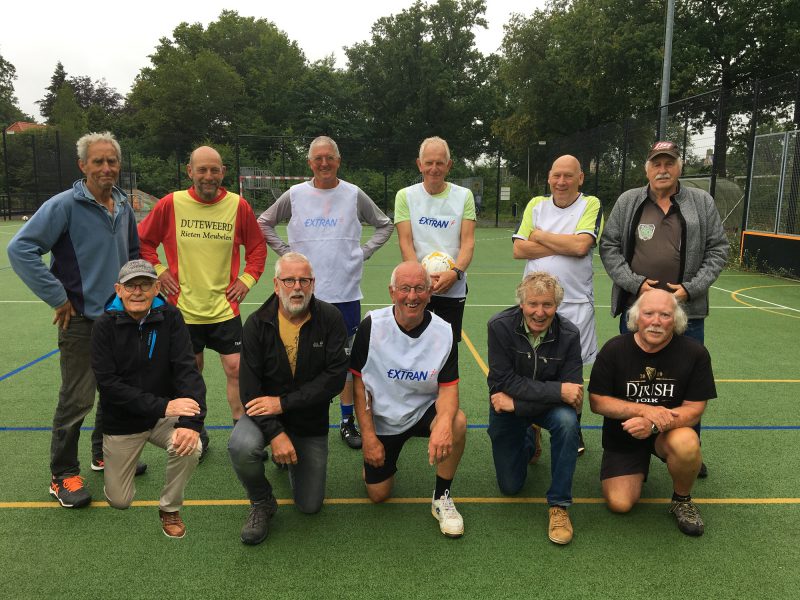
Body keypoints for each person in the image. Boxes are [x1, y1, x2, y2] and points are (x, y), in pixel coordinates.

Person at [7, 131, 143, 508]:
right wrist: (57, 296)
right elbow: (20, 249)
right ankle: (63, 475)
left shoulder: (123, 205)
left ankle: (105, 455)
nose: (106, 168)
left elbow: (133, 254)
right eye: (97, 161)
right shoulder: (64, 205)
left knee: (116, 391)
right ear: (83, 165)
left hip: (119, 319)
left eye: (111, 161)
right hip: (81, 322)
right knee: (77, 399)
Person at [599, 141, 728, 478]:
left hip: (686, 310)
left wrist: (690, 288)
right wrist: (635, 283)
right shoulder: (629, 201)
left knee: (686, 385)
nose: (663, 170)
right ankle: (632, 451)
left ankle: (687, 451)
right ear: (647, 169)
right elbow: (609, 246)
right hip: (637, 309)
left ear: (679, 167)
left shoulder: (701, 201)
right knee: (631, 382)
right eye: (657, 164)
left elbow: (718, 249)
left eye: (669, 163)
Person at [258, 136, 393, 450]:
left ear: (338, 160)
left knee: (345, 365)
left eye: (329, 157)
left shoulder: (353, 194)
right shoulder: (295, 195)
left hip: (345, 294)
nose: (324, 163)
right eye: (318, 158)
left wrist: (363, 252)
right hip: (301, 294)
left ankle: (346, 421)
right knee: (294, 360)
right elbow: (264, 222)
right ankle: (292, 420)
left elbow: (384, 225)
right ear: (309, 163)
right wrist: (287, 253)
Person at [138, 145, 266, 459]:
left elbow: (257, 249)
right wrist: (159, 271)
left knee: (236, 369)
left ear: (223, 172)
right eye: (202, 170)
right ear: (190, 172)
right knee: (189, 372)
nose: (208, 176)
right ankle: (196, 430)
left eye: (214, 170)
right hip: (183, 310)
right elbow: (143, 241)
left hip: (224, 308)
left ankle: (241, 434)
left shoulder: (238, 205)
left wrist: (247, 280)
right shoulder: (171, 203)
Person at [228, 252, 348, 545]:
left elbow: (334, 379)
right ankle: (262, 501)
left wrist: (283, 403)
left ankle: (292, 459)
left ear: (313, 284)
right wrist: (276, 433)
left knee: (309, 505)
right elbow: (249, 390)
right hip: (264, 414)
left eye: (304, 281)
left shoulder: (331, 318)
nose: (297, 287)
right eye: (289, 280)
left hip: (309, 418)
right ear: (276, 284)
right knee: (241, 445)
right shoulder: (257, 323)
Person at [351, 261, 467, 538]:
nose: (412, 296)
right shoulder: (371, 326)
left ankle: (442, 497)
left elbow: (448, 387)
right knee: (378, 494)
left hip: (423, 409)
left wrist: (443, 425)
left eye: (419, 288)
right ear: (392, 292)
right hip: (384, 417)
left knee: (457, 422)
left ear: (430, 293)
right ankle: (380, 460)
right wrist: (368, 438)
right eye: (404, 288)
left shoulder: (444, 331)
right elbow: (359, 385)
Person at [91, 260, 205, 538]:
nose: (138, 292)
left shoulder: (171, 317)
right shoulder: (104, 325)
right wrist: (164, 405)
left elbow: (187, 370)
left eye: (145, 285)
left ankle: (169, 508)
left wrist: (191, 424)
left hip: (161, 418)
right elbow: (109, 386)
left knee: (191, 446)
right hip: (123, 422)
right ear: (118, 290)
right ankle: (117, 471)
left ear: (157, 288)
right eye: (130, 286)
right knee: (119, 501)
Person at [588, 289, 716, 536]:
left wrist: (655, 425)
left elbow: (694, 410)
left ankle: (682, 500)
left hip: (667, 433)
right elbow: (597, 402)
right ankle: (635, 465)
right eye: (649, 314)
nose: (656, 322)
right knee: (620, 504)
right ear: (636, 317)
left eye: (665, 315)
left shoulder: (695, 353)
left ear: (676, 320)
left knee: (687, 442)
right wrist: (645, 410)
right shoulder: (614, 349)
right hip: (625, 435)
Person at [512, 155, 604, 456]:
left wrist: (539, 236)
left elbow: (581, 246)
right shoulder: (536, 205)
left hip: (576, 303)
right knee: (531, 366)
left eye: (568, 176)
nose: (561, 182)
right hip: (535, 303)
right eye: (556, 175)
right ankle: (531, 429)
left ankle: (572, 428)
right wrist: (564, 243)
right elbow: (519, 248)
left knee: (571, 371)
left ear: (580, 178)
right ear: (549, 177)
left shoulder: (590, 204)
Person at [486, 272, 584, 545]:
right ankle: (530, 434)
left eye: (547, 305)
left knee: (567, 422)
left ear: (557, 306)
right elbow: (503, 381)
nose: (540, 313)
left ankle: (559, 505)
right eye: (533, 304)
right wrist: (557, 391)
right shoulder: (499, 326)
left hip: (521, 405)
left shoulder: (569, 334)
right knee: (510, 486)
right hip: (508, 406)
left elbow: (573, 394)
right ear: (522, 304)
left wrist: (518, 403)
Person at [394, 136, 476, 346]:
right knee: (413, 343)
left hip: (452, 286)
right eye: (429, 162)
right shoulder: (405, 196)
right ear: (419, 164)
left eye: (440, 163)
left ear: (449, 165)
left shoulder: (464, 196)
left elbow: (468, 242)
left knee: (448, 346)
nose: (434, 168)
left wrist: (455, 273)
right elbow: (405, 242)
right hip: (417, 288)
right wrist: (421, 280)